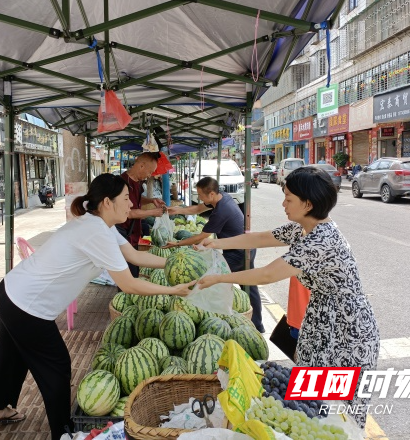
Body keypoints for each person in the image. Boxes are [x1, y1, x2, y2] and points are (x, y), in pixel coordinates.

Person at [0, 173, 194, 438]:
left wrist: (179, 262)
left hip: (12, 293)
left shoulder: (101, 225)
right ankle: (63, 432)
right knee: (57, 365)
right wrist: (173, 289)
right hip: (25, 305)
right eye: (126, 199)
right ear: (107, 202)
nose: (131, 205)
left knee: (9, 354)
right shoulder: (95, 231)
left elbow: (135, 256)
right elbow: (129, 284)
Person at [196, 167, 379, 428]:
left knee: (337, 408)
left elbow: (269, 274)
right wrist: (216, 243)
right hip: (322, 319)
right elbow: (262, 237)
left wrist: (218, 279)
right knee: (313, 399)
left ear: (308, 204)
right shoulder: (303, 228)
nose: (283, 203)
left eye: (289, 198)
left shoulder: (321, 240)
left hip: (346, 330)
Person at [165, 177, 265, 333]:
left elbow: (201, 236)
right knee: (249, 286)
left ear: (211, 194)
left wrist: (177, 244)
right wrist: (177, 210)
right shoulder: (221, 197)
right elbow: (198, 209)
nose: (199, 198)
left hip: (239, 252)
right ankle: (257, 324)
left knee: (212, 281)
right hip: (244, 247)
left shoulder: (221, 211)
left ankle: (217, 319)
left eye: (200, 194)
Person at [118, 152, 166, 277]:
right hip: (123, 234)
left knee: (134, 269)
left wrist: (151, 201)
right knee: (128, 273)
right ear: (141, 166)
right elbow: (128, 213)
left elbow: (137, 200)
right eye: (150, 172)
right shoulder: (122, 183)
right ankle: (126, 294)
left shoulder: (137, 183)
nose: (149, 175)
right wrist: (152, 212)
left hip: (133, 235)